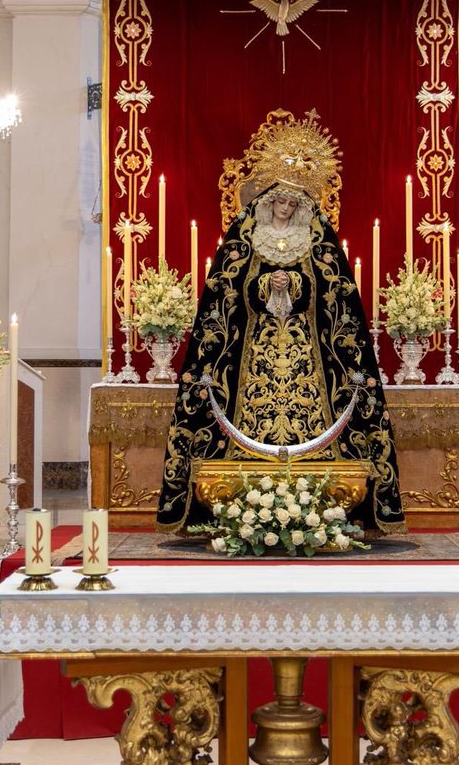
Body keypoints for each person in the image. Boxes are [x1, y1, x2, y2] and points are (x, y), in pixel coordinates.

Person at [156, 179, 405, 533]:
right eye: (280, 202)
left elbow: (334, 291)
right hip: (253, 348)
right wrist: (262, 287)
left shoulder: (317, 241)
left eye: (292, 204)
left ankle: (315, 482)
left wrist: (297, 287)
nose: (285, 209)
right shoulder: (244, 240)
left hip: (308, 349)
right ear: (269, 203)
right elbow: (227, 291)